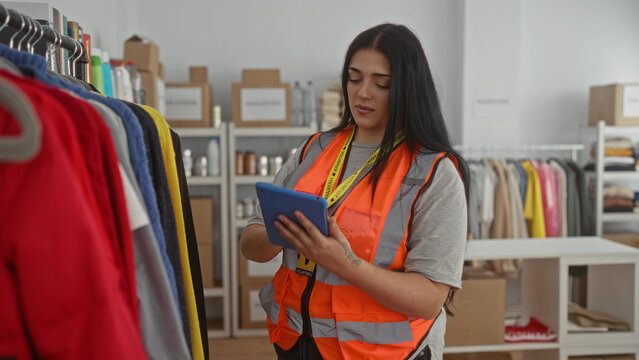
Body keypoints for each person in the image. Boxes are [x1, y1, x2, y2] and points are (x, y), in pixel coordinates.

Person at [240, 23, 469, 360]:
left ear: (409, 89)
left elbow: (430, 297)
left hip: (381, 353)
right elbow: (251, 245)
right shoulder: (313, 150)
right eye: (354, 78)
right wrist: (283, 233)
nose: (363, 93)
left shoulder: (434, 173)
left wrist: (345, 264)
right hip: (295, 342)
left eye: (382, 84)